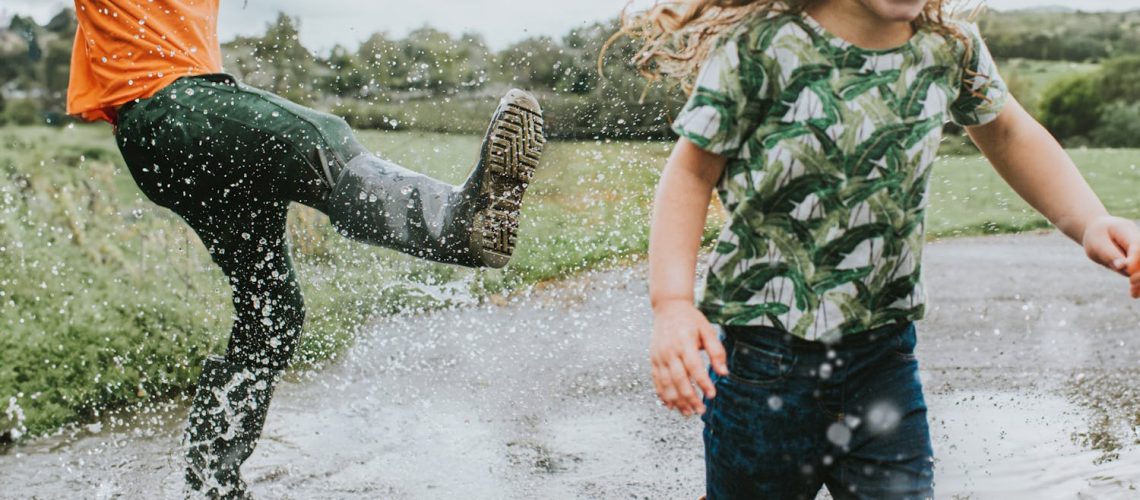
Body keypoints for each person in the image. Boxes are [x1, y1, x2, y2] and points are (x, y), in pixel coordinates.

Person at [621, 0, 1140, 498]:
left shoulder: (948, 47)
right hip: (763, 359)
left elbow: (1006, 133)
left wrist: (1091, 220)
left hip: (883, 357)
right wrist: (671, 304)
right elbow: (692, 171)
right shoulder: (760, 46)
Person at [67, 1, 546, 497]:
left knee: (272, 309)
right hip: (169, 109)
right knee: (317, 138)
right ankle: (453, 222)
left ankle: (211, 483)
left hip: (173, 140)